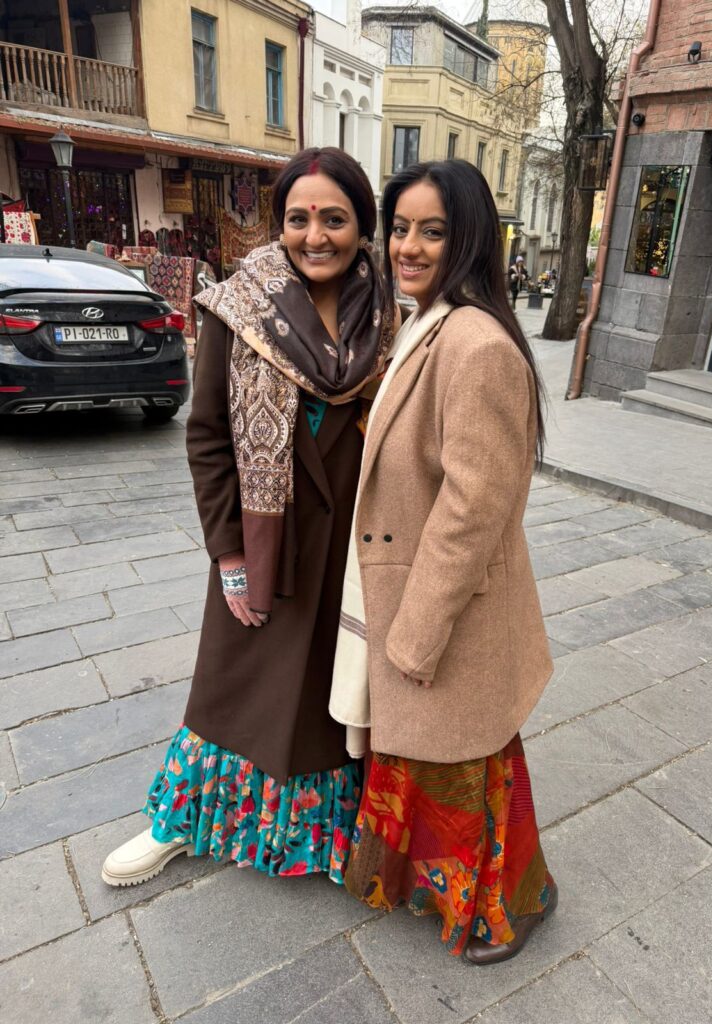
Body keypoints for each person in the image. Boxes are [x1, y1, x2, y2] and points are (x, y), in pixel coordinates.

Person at [101, 148, 394, 887]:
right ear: (279, 224)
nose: (315, 235)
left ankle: (320, 837)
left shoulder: (389, 317)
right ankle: (181, 822)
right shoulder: (237, 308)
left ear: (363, 226)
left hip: (348, 549)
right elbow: (206, 438)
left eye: (335, 219)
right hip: (264, 539)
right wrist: (230, 554)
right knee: (229, 688)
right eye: (299, 218)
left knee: (324, 700)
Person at [331, 159, 557, 963]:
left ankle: (509, 909)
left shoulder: (476, 344)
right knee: (435, 758)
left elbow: (474, 510)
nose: (408, 247)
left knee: (467, 764)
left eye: (433, 231)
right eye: (400, 229)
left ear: (469, 239)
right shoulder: (428, 321)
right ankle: (445, 891)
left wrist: (418, 632)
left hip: (450, 610)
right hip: (417, 594)